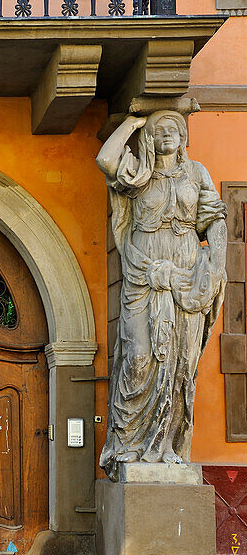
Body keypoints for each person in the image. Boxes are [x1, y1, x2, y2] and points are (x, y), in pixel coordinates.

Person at [96, 110, 227, 479]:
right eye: (159, 130)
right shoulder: (137, 172)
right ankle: (127, 446)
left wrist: (216, 266)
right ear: (150, 139)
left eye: (174, 129)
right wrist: (134, 123)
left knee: (182, 364)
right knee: (138, 357)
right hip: (143, 270)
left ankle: (168, 446)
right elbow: (105, 159)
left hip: (186, 274)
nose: (167, 135)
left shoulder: (196, 172)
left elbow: (214, 218)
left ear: (184, 138)